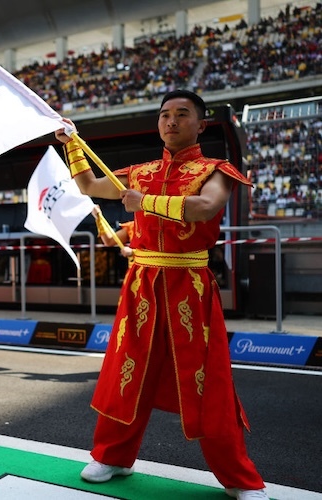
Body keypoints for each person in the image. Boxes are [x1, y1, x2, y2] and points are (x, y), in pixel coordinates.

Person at [55, 89, 267, 500]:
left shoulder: (216, 170)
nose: (171, 121)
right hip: (141, 286)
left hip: (190, 286)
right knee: (125, 371)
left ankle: (240, 479)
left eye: (182, 114)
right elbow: (88, 186)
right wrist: (72, 144)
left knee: (209, 382)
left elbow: (205, 208)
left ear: (200, 124)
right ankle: (112, 456)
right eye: (165, 115)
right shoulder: (141, 171)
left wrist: (144, 202)